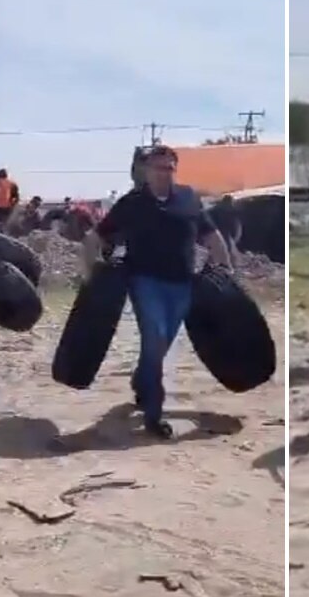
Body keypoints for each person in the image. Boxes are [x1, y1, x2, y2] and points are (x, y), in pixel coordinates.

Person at [79, 145, 233, 439]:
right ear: (146, 171)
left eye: (168, 168)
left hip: (182, 284)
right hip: (145, 282)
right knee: (155, 339)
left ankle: (141, 382)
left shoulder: (189, 198)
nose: (163, 174)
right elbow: (93, 238)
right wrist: (90, 275)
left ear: (175, 170)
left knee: (159, 347)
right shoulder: (132, 203)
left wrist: (226, 267)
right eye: (157, 168)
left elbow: (210, 235)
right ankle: (154, 413)